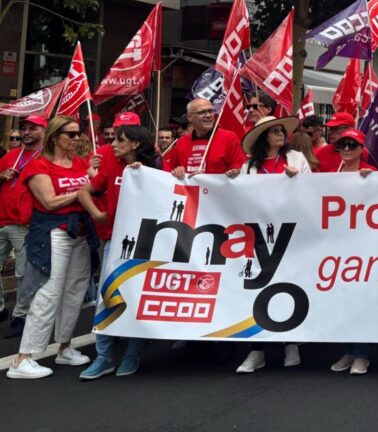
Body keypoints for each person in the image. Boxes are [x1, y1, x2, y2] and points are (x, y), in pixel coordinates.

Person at [6, 117, 98, 379]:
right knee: (49, 292)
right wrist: (84, 191)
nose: (77, 139)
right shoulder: (39, 166)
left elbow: (98, 184)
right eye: (70, 134)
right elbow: (49, 202)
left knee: (75, 292)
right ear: (55, 137)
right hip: (52, 234)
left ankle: (65, 347)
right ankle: (23, 358)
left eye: (79, 133)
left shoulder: (80, 163)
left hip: (80, 233)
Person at [77, 124, 161, 380]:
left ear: (135, 144)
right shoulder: (111, 164)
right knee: (107, 296)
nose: (112, 144)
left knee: (137, 298)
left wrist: (146, 175)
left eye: (119, 140)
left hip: (147, 242)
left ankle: (132, 354)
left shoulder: (156, 169)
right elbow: (84, 191)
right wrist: (97, 214)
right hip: (116, 240)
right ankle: (103, 357)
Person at [233, 116, 309, 373]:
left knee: (291, 284)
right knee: (258, 286)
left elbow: (313, 190)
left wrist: (297, 180)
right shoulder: (248, 166)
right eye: (275, 131)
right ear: (264, 136)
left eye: (281, 130)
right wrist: (231, 179)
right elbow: (239, 196)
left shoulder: (296, 159)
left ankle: (292, 344)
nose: (281, 134)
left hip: (291, 232)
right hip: (259, 235)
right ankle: (257, 350)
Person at [329, 129, 374, 375]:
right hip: (337, 247)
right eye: (342, 145)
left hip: (364, 247)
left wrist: (373, 181)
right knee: (343, 301)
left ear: (361, 148)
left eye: (352, 145)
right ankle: (349, 350)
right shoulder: (329, 176)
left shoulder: (370, 173)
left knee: (360, 300)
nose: (346, 149)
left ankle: (362, 354)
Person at [0, 115, 47, 337]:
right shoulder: (10, 156)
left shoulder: (46, 157)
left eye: (32, 128)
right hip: (2, 220)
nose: (27, 132)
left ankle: (20, 315)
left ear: (44, 131)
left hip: (24, 224)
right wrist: (1, 176)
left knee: (22, 273)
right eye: (24, 129)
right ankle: (1, 309)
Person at [163, 99, 245, 177]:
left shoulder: (229, 138)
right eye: (202, 112)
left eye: (210, 111)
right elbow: (170, 171)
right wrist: (177, 171)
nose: (208, 115)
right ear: (189, 117)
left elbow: (238, 169)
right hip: (189, 191)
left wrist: (206, 179)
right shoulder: (182, 141)